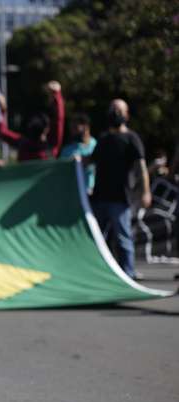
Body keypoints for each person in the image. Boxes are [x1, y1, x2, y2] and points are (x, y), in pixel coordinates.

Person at [83, 99, 151, 279]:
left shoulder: (131, 138)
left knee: (123, 238)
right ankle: (99, 274)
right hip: (99, 197)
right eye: (113, 109)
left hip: (120, 198)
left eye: (119, 110)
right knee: (97, 238)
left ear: (127, 115)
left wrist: (145, 191)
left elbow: (141, 167)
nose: (115, 113)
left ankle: (128, 274)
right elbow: (89, 161)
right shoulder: (104, 139)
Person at [0, 81, 65, 162]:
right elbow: (59, 120)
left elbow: (2, 131)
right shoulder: (51, 147)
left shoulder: (22, 144)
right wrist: (57, 94)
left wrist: (2, 110)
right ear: (46, 129)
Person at [60, 113, 97, 194]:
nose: (72, 131)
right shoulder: (66, 150)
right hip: (74, 194)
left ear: (86, 126)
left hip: (94, 194)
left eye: (75, 128)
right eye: (71, 128)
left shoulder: (96, 145)